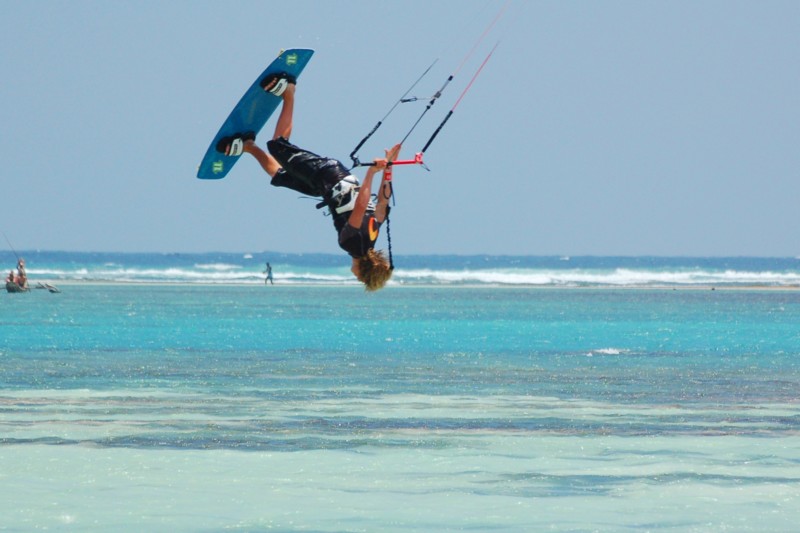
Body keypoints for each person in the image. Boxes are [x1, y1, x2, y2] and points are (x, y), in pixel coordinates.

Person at [216, 72, 399, 291]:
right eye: (361, 279)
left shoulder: (371, 238)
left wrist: (389, 168)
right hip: (329, 175)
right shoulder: (351, 244)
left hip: (325, 188)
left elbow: (382, 205)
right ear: (365, 271)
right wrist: (372, 173)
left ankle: (248, 146)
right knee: (278, 145)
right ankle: (289, 92)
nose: (357, 279)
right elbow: (361, 205)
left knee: (280, 177)